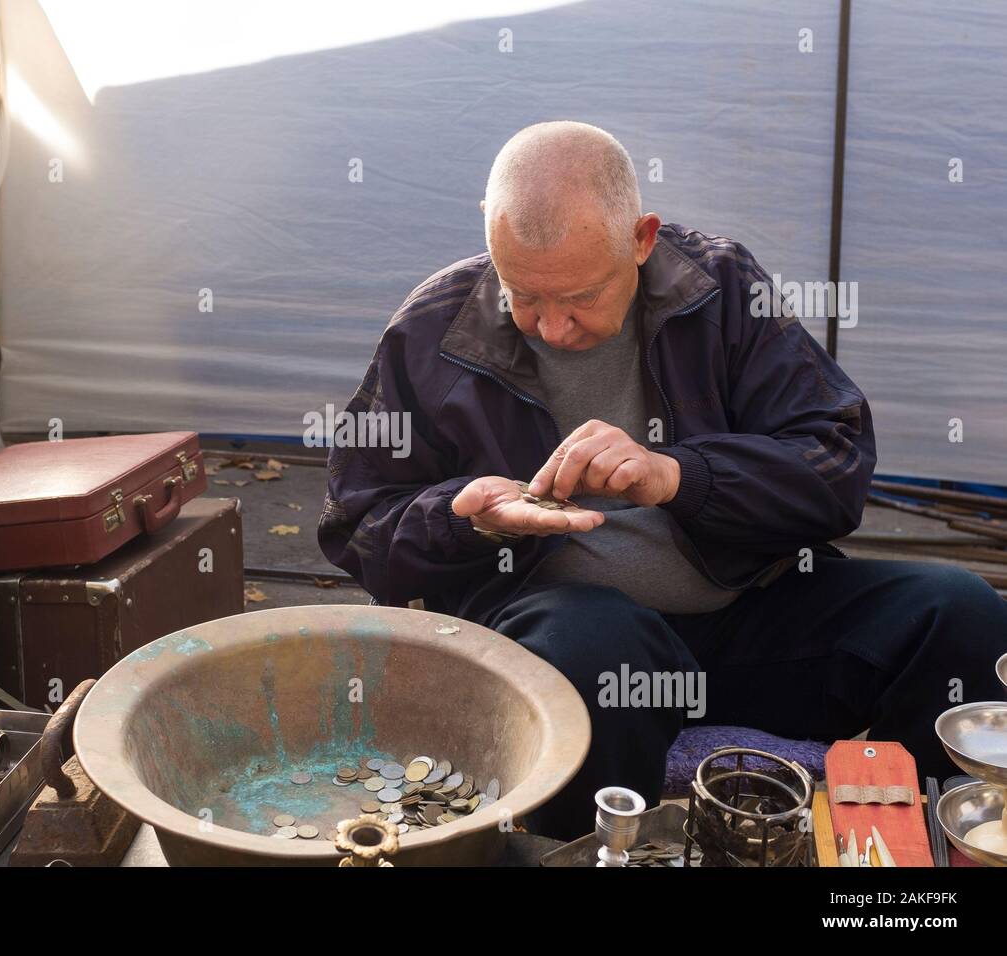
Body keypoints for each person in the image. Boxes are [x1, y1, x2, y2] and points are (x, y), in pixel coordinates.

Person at [318, 121, 1007, 840]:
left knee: (959, 612)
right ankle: (582, 853)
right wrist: (464, 520)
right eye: (523, 295)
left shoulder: (721, 290)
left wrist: (681, 476)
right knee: (596, 644)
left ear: (642, 239)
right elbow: (356, 525)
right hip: (565, 638)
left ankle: (918, 852)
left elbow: (836, 467)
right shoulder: (432, 329)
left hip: (745, 616)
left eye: (580, 296)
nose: (552, 326)